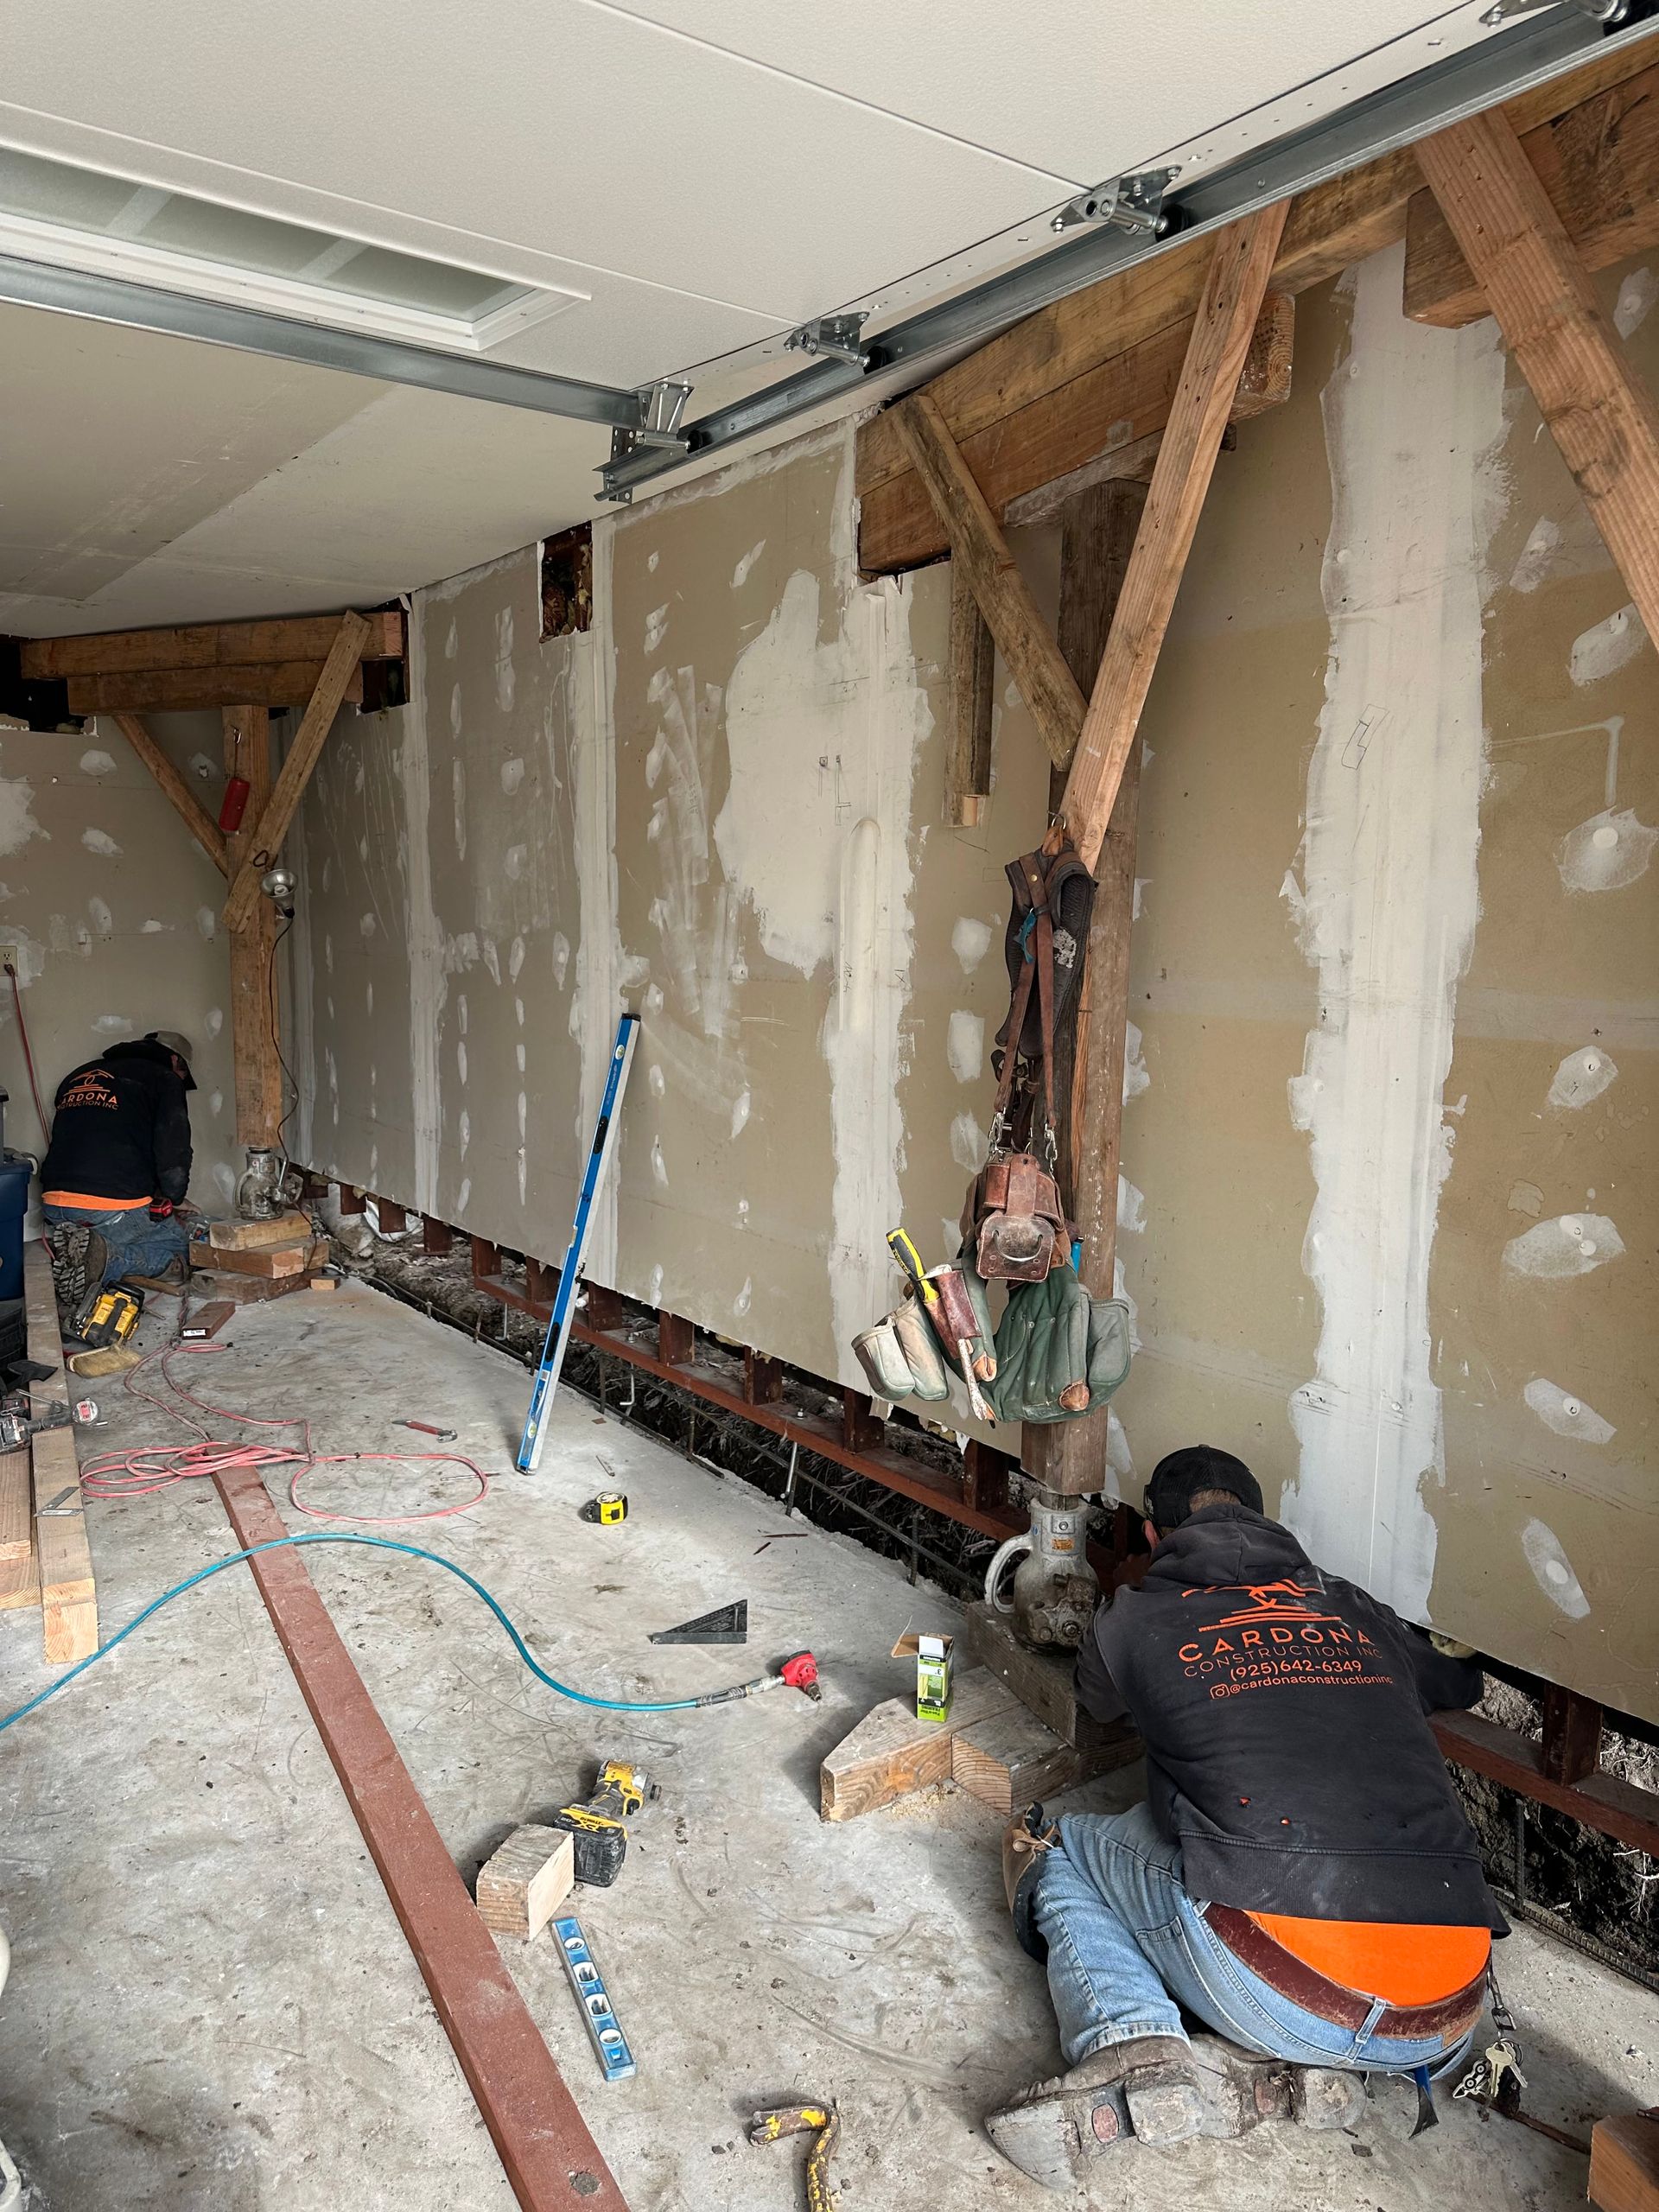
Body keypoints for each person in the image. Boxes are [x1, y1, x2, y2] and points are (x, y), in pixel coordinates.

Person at [988, 1446, 1501, 2189]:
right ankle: (1293, 2068)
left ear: (1155, 1535)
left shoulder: (1136, 1617)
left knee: (1060, 1844)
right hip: (1445, 2017)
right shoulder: (1354, 1607)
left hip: (1284, 1992)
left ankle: (1132, 2043)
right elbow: (1459, 1680)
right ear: (1264, 1518)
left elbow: (1098, 1701)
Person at [39, 1031, 196, 1309]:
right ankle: (108, 1260)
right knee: (186, 1249)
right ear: (174, 1060)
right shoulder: (165, 1079)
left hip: (54, 1204)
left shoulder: (79, 1075)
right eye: (183, 1075)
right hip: (111, 1209)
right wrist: (175, 1197)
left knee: (140, 1228)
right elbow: (173, 1151)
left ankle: (88, 1247)